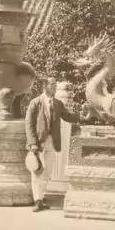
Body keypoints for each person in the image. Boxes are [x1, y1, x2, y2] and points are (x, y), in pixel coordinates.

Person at [25, 77, 80, 212]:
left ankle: (41, 197)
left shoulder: (57, 103)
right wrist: (33, 143)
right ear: (45, 86)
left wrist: (82, 115)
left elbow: (68, 117)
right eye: (53, 85)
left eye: (56, 85)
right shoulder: (35, 102)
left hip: (52, 142)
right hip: (38, 143)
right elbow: (29, 124)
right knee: (37, 171)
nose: (55, 87)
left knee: (47, 172)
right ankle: (38, 200)